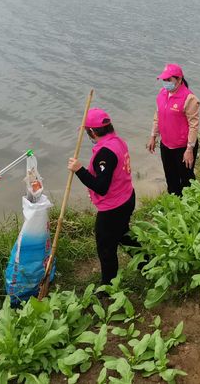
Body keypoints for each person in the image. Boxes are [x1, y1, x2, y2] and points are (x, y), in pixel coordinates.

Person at [68, 108, 139, 286]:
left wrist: (79, 170)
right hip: (127, 196)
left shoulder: (105, 153)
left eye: (87, 132)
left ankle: (108, 286)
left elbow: (101, 187)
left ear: (91, 132)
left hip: (114, 207)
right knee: (123, 233)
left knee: (106, 248)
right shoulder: (118, 141)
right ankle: (147, 262)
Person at [146, 64, 200, 197]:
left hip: (183, 148)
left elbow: (194, 126)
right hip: (166, 145)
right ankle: (175, 205)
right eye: (164, 80)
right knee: (171, 178)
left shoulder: (189, 99)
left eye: (169, 80)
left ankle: (191, 205)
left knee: (186, 179)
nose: (165, 83)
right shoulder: (162, 94)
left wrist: (189, 150)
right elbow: (157, 115)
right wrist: (153, 136)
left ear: (179, 79)